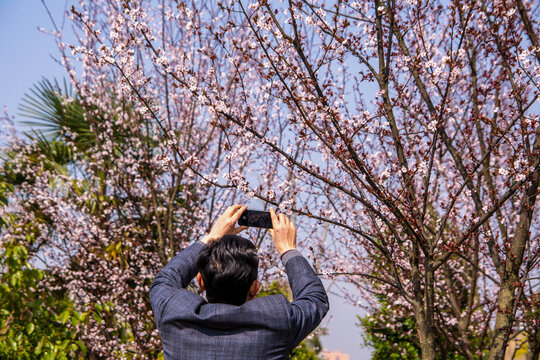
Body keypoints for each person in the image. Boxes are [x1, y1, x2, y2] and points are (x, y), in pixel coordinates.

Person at [149, 204, 329, 359]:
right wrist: (288, 249)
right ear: (254, 288)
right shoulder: (278, 320)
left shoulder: (173, 314)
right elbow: (314, 299)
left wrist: (211, 238)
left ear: (200, 282)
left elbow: (164, 281)